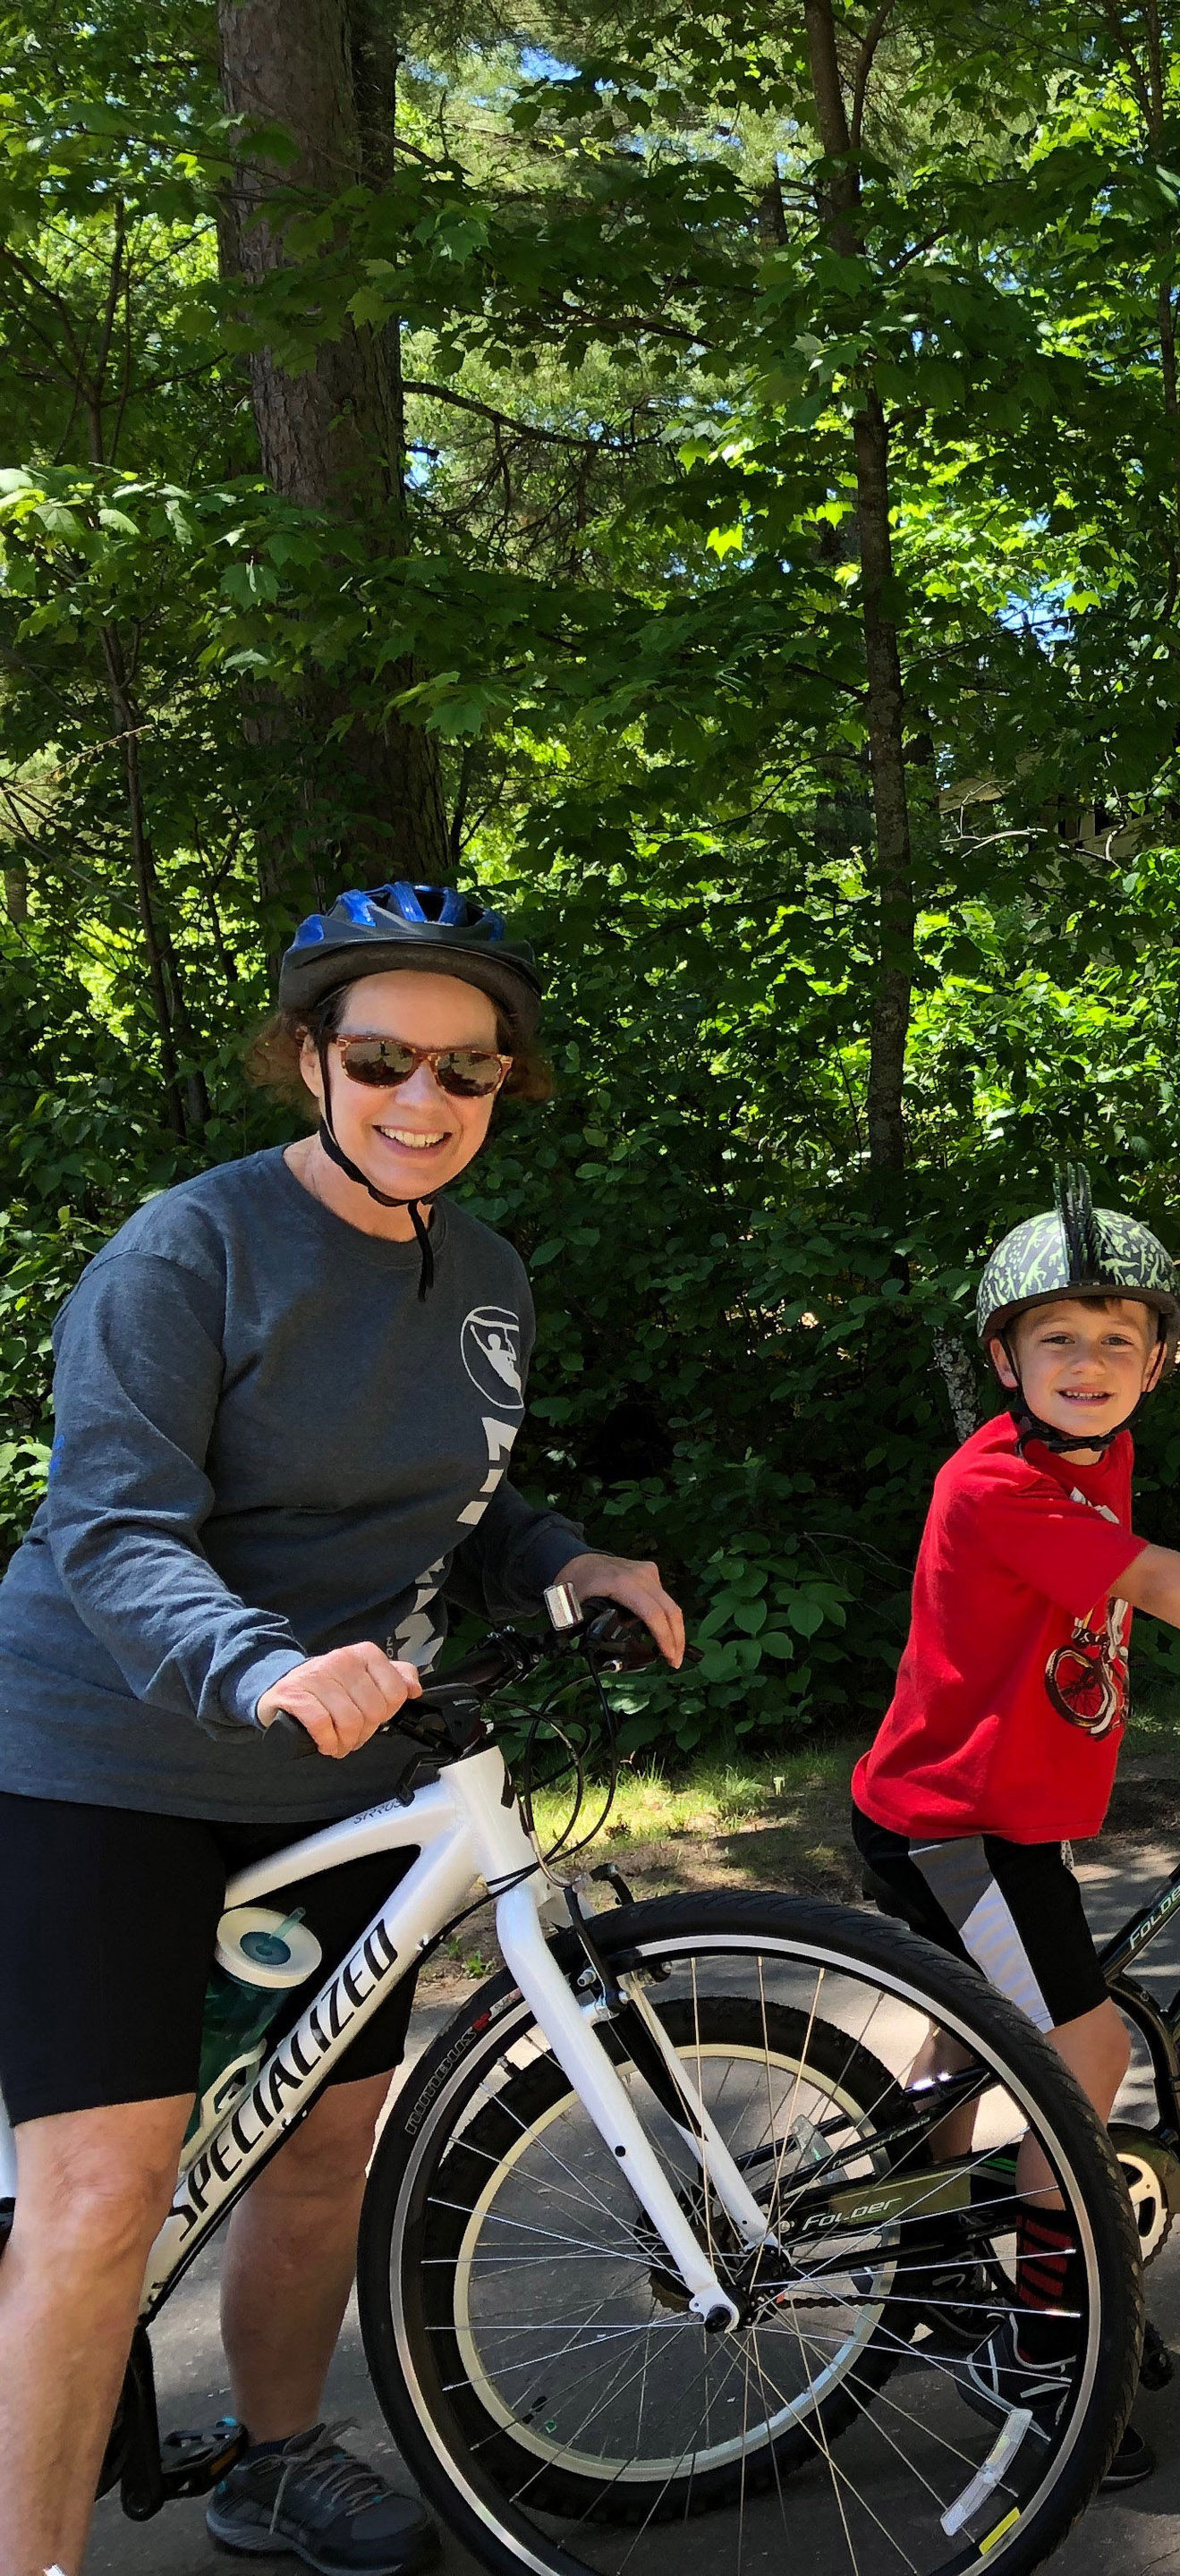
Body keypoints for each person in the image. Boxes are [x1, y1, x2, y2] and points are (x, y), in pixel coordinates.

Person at [0, 884, 688, 2576]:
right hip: (111, 1753)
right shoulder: (195, 1247)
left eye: (468, 1073)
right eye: (383, 1058)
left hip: (342, 1775)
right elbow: (112, 1524)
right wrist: (255, 1664)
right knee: (101, 2198)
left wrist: (567, 1555)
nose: (423, 1102)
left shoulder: (488, 1272)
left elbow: (459, 1495)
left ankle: (275, 2458)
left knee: (323, 2151)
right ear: (311, 1059)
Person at [846, 1174, 1180, 2474]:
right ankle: (1034, 2343)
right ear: (1002, 1357)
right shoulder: (994, 1486)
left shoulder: (1089, 1454)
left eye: (1118, 1341)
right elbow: (1145, 1575)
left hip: (1001, 1816)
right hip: (953, 1823)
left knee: (976, 2047)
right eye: (1058, 1341)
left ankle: (930, 2263)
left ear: (1157, 1362)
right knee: (1078, 2059)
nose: (1089, 1365)